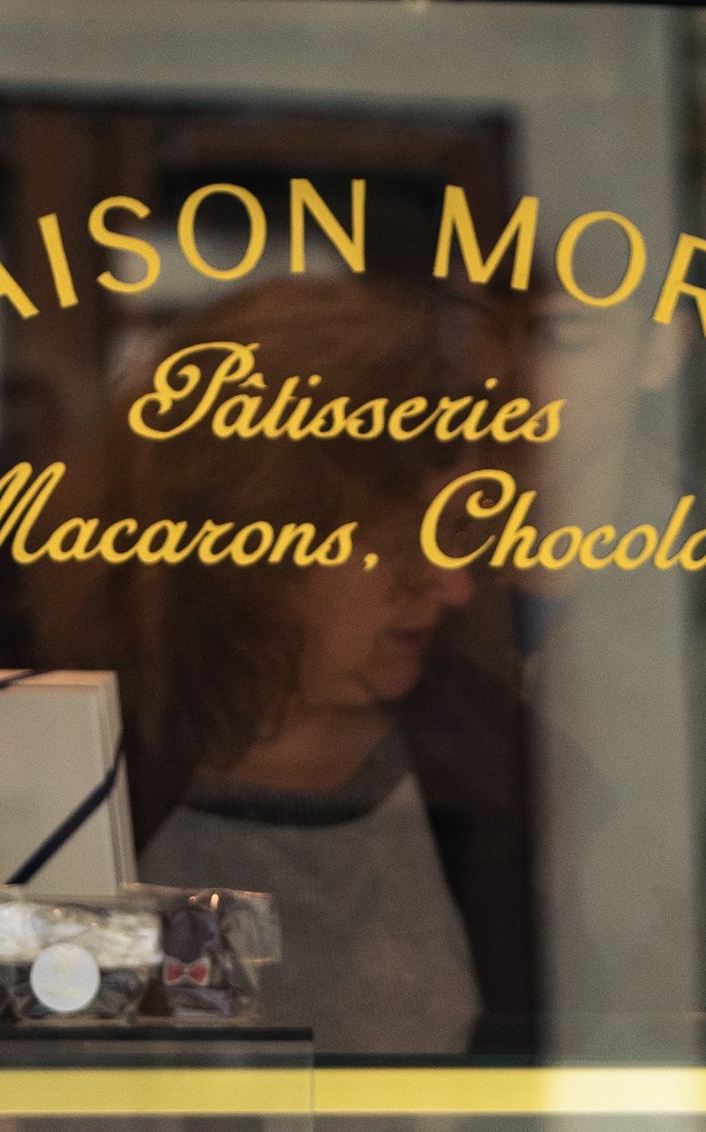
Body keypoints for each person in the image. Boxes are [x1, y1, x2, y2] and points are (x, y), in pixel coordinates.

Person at [115, 274, 537, 1061]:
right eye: (406, 545)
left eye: (459, 537)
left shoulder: (502, 767)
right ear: (250, 545)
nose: (453, 585)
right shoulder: (88, 761)